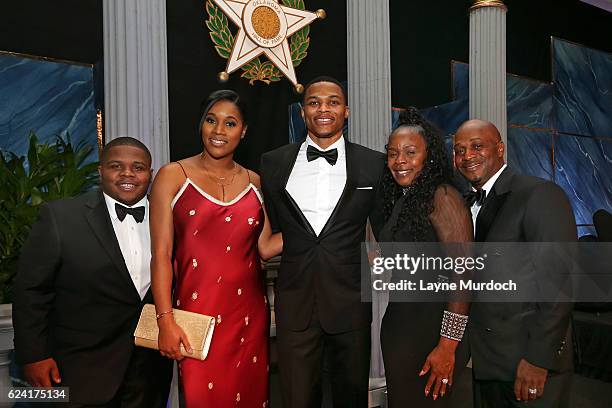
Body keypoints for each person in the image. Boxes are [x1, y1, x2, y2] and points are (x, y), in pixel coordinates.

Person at [13, 137, 173, 406]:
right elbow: (31, 292)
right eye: (116, 166)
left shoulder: (170, 218)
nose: (127, 174)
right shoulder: (60, 217)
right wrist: (33, 356)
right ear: (101, 171)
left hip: (149, 370)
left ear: (151, 174)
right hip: (81, 369)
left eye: (138, 167)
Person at [150, 89, 282, 408]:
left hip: (249, 319)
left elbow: (265, 248)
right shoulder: (173, 176)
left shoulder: (255, 182)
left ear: (244, 131)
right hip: (194, 321)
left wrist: (317, 223)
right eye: (212, 120)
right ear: (201, 125)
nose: (219, 131)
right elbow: (161, 256)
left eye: (230, 123)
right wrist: (165, 320)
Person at [260, 76, 385, 408]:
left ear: (346, 112)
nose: (323, 109)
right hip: (295, 304)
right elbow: (269, 225)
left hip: (351, 306)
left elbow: (388, 232)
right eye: (314, 102)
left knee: (351, 399)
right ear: (303, 113)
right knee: (297, 400)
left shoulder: (373, 164)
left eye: (332, 102)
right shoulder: (273, 164)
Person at [454, 119, 575, 407]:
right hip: (486, 363)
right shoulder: (459, 204)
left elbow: (560, 284)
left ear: (500, 149)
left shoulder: (539, 194)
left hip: (528, 364)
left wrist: (538, 359)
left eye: (477, 146)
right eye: (459, 150)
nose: (467, 155)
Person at [376, 108, 472, 407]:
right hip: (400, 325)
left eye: (409, 152)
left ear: (428, 156)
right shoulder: (402, 200)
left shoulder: (442, 196)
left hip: (432, 330)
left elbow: (464, 273)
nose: (399, 161)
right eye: (392, 153)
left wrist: (447, 345)